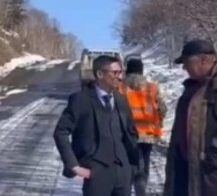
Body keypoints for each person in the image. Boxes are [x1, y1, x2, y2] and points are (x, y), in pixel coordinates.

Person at [53, 54, 140, 196]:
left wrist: (132, 166)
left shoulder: (122, 100)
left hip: (123, 172)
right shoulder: (81, 100)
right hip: (97, 173)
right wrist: (74, 165)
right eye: (115, 73)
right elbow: (60, 132)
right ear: (100, 74)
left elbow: (131, 132)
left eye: (121, 72)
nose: (120, 77)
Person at [162, 38, 217, 196]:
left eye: (187, 62)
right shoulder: (191, 88)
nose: (184, 68)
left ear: (203, 60)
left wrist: (212, 159)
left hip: (210, 177)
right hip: (186, 170)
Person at [120, 57, 167, 196]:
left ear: (127, 70)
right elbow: (162, 109)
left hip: (125, 135)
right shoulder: (152, 88)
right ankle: (141, 191)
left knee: (126, 165)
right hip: (148, 134)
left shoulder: (120, 87)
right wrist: (159, 122)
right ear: (141, 70)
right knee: (143, 165)